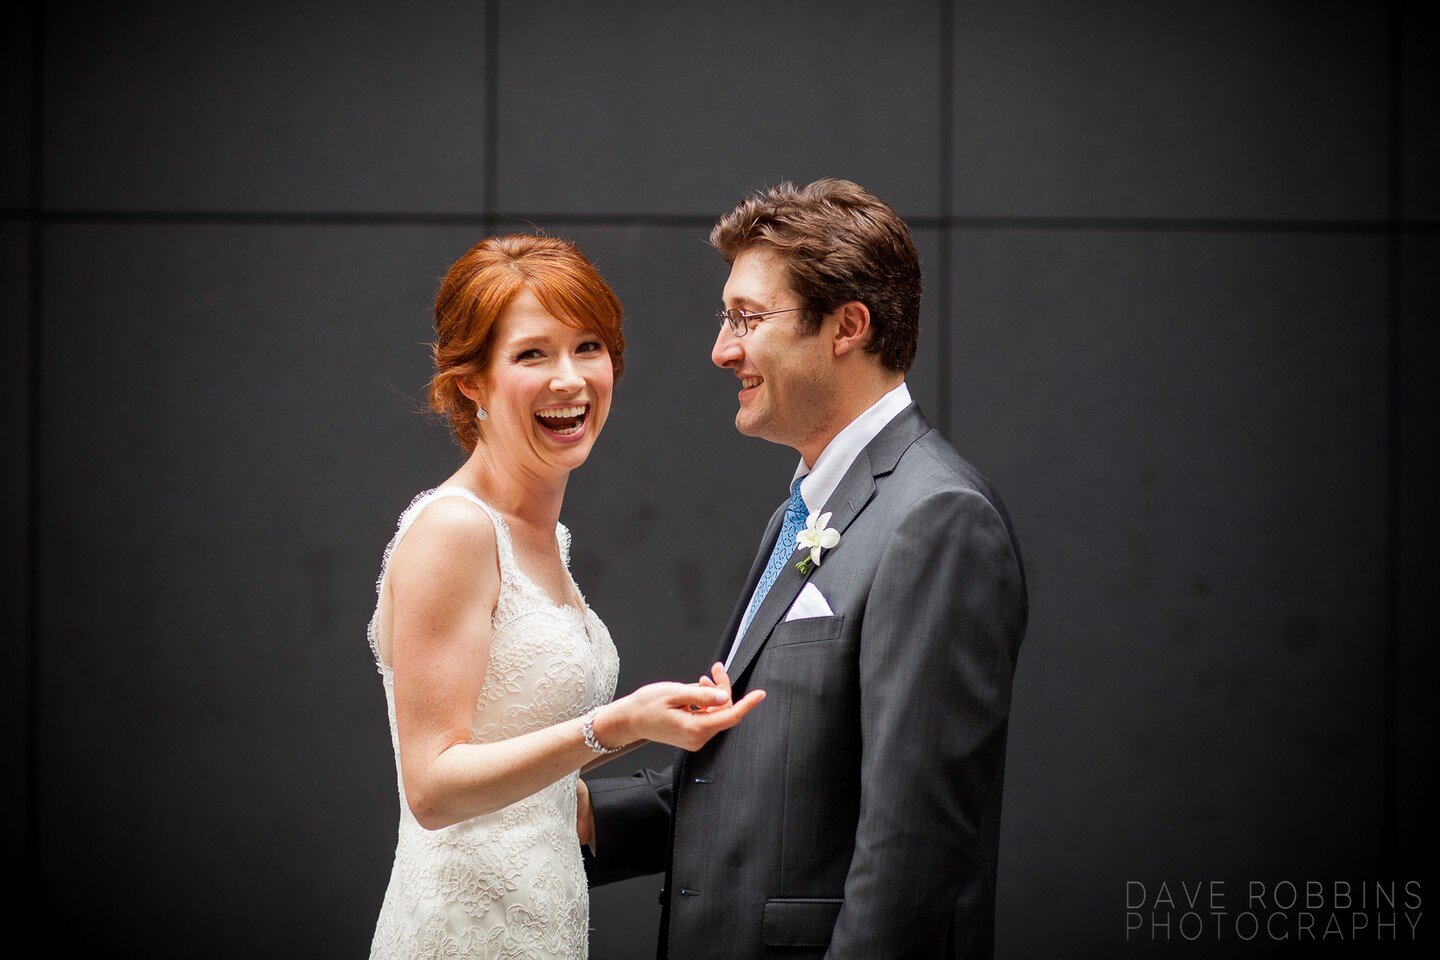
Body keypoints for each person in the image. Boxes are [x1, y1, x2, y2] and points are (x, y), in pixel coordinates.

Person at [579, 180, 1029, 959]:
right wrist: (568, 819)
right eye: (727, 319)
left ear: (847, 326)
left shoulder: (937, 519)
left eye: (748, 319)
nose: (723, 349)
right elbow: (759, 783)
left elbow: (912, 852)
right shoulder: (807, 507)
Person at [366, 235, 765, 959]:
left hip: (542, 921)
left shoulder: (545, 539)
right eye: (531, 355)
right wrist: (616, 725)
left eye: (588, 346)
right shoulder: (455, 530)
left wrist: (671, 732)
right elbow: (431, 786)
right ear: (471, 382)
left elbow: (519, 766)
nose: (570, 380)